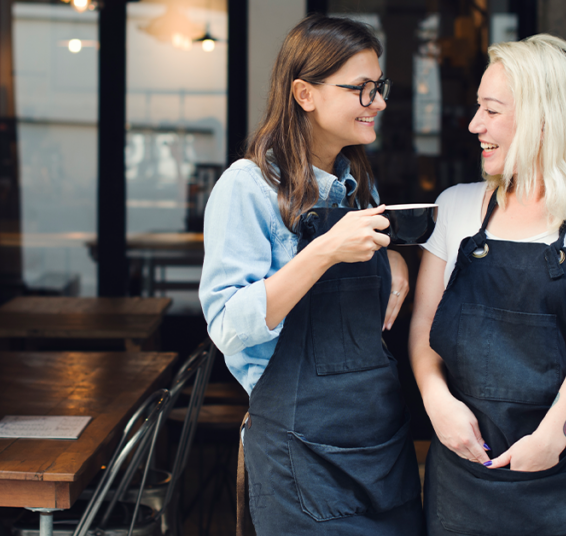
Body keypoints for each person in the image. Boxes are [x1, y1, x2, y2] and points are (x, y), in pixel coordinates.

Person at [409, 34, 566, 535]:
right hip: (465, 471)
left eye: (491, 110)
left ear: (544, 118)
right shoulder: (454, 205)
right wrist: (437, 402)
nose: (475, 124)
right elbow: (424, 325)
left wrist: (552, 438)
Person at [198, 14, 424, 535]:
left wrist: (393, 259)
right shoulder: (247, 187)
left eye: (380, 87)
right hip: (300, 454)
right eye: (362, 89)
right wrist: (322, 252)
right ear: (304, 94)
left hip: (380, 445)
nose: (378, 102)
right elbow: (227, 325)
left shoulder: (357, 185)